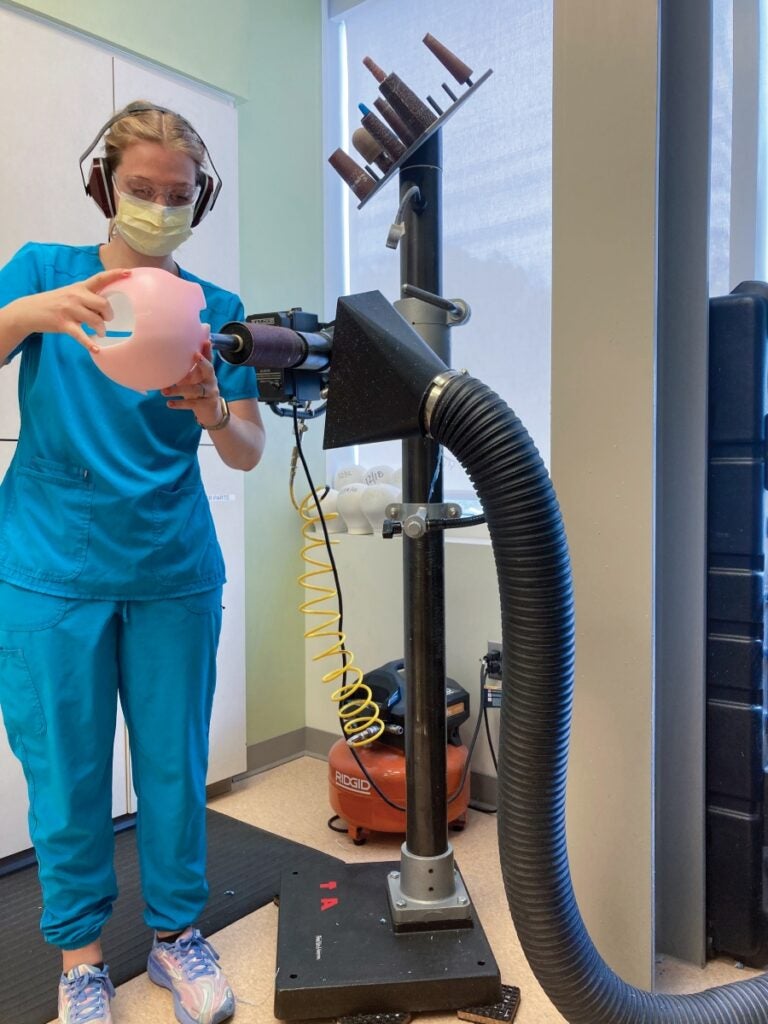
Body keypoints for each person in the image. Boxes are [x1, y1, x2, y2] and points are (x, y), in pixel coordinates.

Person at [0, 102, 266, 1024]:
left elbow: (248, 450)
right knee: (66, 774)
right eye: (142, 189)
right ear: (102, 184)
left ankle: (176, 938)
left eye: (178, 194)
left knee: (172, 765)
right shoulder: (44, 274)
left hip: (170, 568)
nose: (159, 206)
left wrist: (209, 406)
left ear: (202, 200)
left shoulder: (218, 312)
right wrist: (26, 314)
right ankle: (80, 961)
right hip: (49, 569)